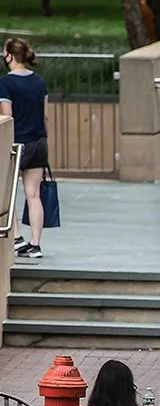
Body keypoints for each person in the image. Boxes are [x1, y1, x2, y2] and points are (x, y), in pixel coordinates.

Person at [1, 39, 49, 260]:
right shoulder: (39, 81)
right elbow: (45, 115)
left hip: (16, 143)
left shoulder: (6, 83)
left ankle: (17, 237)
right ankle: (35, 244)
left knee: (7, 193)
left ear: (9, 56)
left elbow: (7, 115)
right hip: (38, 142)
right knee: (34, 195)